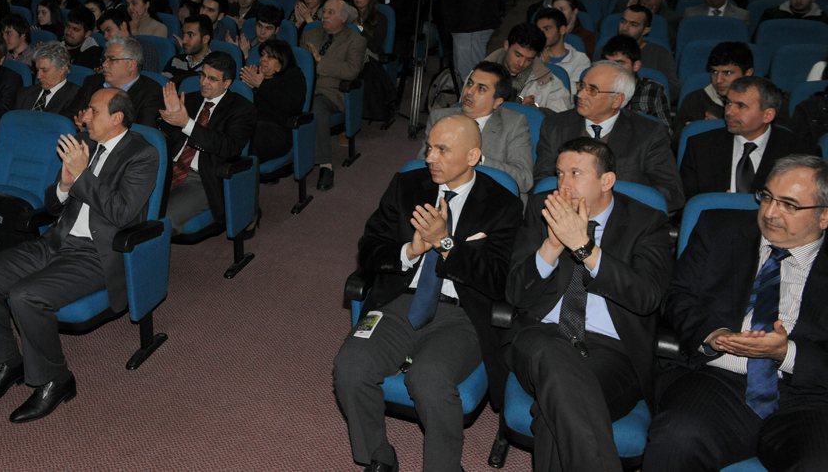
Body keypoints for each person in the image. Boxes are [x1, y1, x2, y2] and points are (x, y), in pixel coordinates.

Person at [335, 114, 521, 472]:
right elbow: (369, 248)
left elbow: (500, 280)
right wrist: (411, 250)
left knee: (429, 379)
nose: (430, 157)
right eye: (430, 147)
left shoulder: (503, 204)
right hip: (399, 302)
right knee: (350, 367)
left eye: (442, 150)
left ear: (472, 156)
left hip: (462, 314)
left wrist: (445, 243)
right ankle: (378, 456)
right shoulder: (406, 185)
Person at [0, 88, 157, 422]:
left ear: (117, 118)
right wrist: (66, 185)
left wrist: (82, 175)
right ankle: (7, 362)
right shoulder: (83, 143)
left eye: (93, 111)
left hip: (96, 254)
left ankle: (56, 379)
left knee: (25, 296)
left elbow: (122, 213)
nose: (85, 116)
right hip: (55, 240)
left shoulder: (142, 154)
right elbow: (53, 205)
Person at [645, 155, 828, 471]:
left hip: (809, 395)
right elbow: (677, 297)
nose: (769, 212)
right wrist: (713, 333)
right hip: (719, 379)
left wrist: (786, 353)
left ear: (824, 216)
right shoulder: (719, 228)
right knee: (677, 438)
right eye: (767, 197)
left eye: (789, 205)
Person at [506, 137, 674, 472]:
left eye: (575, 173)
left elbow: (647, 297)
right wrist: (552, 247)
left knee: (554, 414)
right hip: (542, 337)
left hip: (613, 351)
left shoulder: (647, 222)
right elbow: (515, 294)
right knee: (553, 355)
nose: (563, 184)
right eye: (559, 173)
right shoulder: (542, 208)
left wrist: (584, 247)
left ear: (606, 180)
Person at [533, 61, 685, 212]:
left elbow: (671, 192)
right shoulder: (555, 126)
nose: (580, 94)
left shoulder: (649, 133)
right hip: (565, 213)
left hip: (625, 219)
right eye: (581, 86)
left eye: (592, 90)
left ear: (617, 100)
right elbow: (542, 182)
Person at [158, 52, 257, 235]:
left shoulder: (242, 109)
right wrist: (170, 118)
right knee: (138, 207)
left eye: (212, 79)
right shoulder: (190, 100)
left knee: (162, 219)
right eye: (203, 75)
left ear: (227, 83)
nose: (204, 82)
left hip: (203, 179)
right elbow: (170, 138)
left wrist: (186, 124)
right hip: (169, 169)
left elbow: (228, 147)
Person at [680, 76, 812, 200]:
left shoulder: (800, 152)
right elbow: (688, 205)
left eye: (741, 106)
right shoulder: (700, 146)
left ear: (768, 115)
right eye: (728, 103)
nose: (729, 112)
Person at [418, 62, 533, 197]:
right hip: (445, 193)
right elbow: (421, 165)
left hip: (493, 198)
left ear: (497, 102)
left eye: (481, 89)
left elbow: (524, 179)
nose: (469, 92)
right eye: (469, 84)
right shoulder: (440, 118)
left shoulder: (514, 124)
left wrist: (477, 160)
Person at [303, 0, 367, 191]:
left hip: (333, 93)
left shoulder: (356, 40)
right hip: (306, 89)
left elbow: (351, 71)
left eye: (331, 12)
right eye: (324, 12)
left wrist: (320, 61)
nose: (325, 15)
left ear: (344, 17)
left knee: (316, 107)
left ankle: (325, 165)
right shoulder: (309, 34)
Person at [64, 36, 161, 129]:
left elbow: (143, 133)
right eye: (104, 59)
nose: (104, 64)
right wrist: (79, 126)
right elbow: (68, 117)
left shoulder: (152, 92)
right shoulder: (92, 82)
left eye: (112, 60)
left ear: (131, 65)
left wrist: (93, 127)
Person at [240, 39, 306, 163]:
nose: (263, 59)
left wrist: (262, 85)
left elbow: (291, 106)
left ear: (282, 60)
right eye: (262, 55)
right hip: (253, 124)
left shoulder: (294, 76)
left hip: (278, 131)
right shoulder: (255, 76)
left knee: (245, 138)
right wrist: (247, 90)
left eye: (269, 57)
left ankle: (242, 174)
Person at [673, 41, 754, 143]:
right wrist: (694, 130)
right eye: (714, 72)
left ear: (748, 73)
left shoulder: (761, 101)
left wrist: (717, 128)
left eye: (728, 73)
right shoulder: (695, 99)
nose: (719, 80)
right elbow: (676, 143)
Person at [484, 23, 571, 114]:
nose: (521, 63)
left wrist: (533, 112)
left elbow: (561, 118)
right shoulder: (481, 74)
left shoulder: (550, 84)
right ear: (506, 45)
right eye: (518, 55)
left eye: (529, 59)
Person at [599, 34, 671, 125]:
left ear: (636, 66)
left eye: (620, 64)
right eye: (609, 63)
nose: (613, 69)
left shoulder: (653, 89)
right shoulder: (596, 89)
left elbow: (665, 129)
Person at [616, 4, 681, 101]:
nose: (625, 27)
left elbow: (674, 89)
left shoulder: (661, 52)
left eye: (633, 25)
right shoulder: (605, 50)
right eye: (623, 21)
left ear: (645, 30)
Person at [13, 42, 80, 115]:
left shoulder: (76, 97)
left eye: (45, 70)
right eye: (37, 70)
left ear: (62, 70)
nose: (38, 76)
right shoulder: (24, 93)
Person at [534, 9, 589, 96]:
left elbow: (571, 94)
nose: (542, 34)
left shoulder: (580, 60)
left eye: (547, 29)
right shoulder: (532, 55)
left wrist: (548, 68)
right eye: (539, 30)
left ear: (562, 30)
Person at [162, 16, 213, 87]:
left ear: (205, 39)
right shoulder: (175, 61)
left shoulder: (215, 67)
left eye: (191, 35)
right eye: (184, 34)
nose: (184, 40)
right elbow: (162, 87)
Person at [62, 6, 102, 70]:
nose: (69, 32)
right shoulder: (57, 45)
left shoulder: (92, 55)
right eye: (67, 26)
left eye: (75, 29)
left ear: (87, 34)